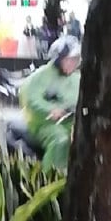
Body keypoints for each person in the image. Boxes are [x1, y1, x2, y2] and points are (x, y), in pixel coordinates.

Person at [19, 35, 81, 172]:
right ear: (59, 59)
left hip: (71, 123)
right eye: (70, 60)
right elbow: (31, 99)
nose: (73, 63)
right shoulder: (41, 76)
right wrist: (51, 109)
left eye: (76, 60)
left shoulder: (77, 79)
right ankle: (51, 177)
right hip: (46, 124)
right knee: (61, 141)